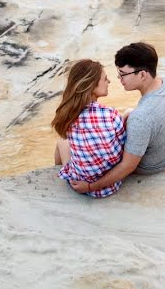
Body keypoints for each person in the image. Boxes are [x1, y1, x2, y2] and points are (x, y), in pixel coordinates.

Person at [69, 42, 165, 195]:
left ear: (142, 75)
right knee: (129, 113)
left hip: (152, 166)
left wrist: (91, 187)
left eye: (123, 73)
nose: (118, 78)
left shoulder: (141, 118)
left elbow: (128, 166)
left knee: (67, 143)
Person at [52, 59, 127, 197]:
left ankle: (56, 175)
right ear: (92, 86)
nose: (109, 82)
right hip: (111, 185)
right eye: (105, 79)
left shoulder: (69, 116)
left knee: (61, 142)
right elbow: (122, 147)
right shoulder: (110, 115)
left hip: (80, 184)